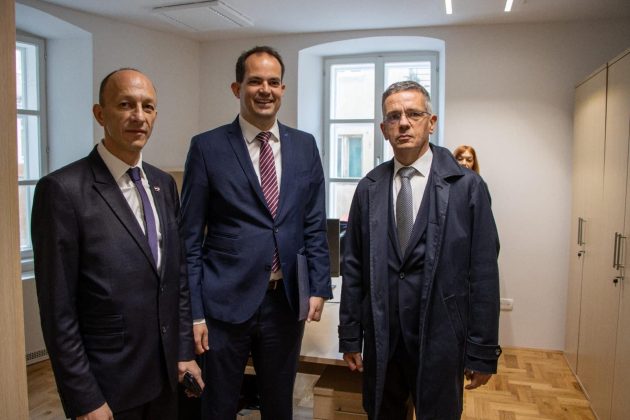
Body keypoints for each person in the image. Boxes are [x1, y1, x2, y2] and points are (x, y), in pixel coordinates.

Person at [31, 68, 203, 420]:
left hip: (166, 378)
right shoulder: (63, 191)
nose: (139, 116)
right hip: (108, 387)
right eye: (125, 104)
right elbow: (58, 310)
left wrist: (184, 351)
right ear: (100, 114)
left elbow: (177, 279)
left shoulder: (163, 185)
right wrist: (84, 398)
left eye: (147, 106)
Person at [180, 45, 332, 420]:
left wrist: (318, 285)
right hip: (223, 305)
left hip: (285, 303)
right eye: (255, 81)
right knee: (218, 406)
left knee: (279, 406)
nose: (265, 90)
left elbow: (313, 223)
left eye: (274, 82)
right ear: (237, 88)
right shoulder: (207, 147)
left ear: (283, 89)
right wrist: (194, 315)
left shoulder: (305, 146)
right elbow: (189, 240)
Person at [338, 81, 501, 420]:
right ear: (384, 129)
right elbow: (353, 267)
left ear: (431, 122)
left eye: (413, 114)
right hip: (384, 338)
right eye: (393, 116)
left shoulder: (467, 187)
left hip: (442, 336)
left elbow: (483, 273)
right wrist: (351, 336)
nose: (403, 123)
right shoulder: (368, 189)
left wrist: (482, 350)